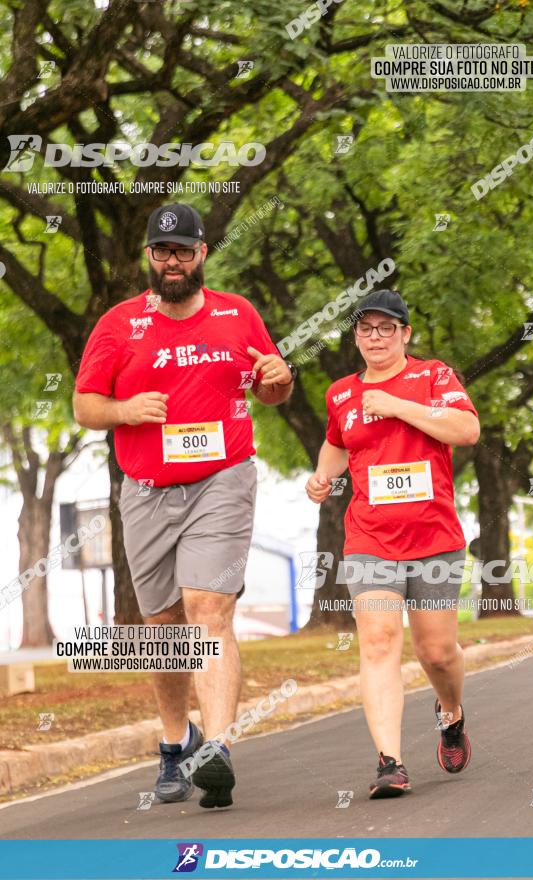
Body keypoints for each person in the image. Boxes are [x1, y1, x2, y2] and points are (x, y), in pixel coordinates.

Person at [73, 203, 296, 809]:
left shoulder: (238, 313)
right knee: (166, 629)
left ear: (202, 255)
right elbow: (85, 405)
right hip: (145, 490)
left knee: (209, 608)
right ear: (149, 257)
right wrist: (125, 411)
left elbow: (272, 387)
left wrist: (280, 377)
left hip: (223, 479)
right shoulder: (119, 325)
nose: (172, 261)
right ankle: (176, 742)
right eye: (161, 251)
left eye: (183, 250)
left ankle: (216, 748)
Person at [305, 289, 480, 798]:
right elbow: (337, 443)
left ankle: (451, 715)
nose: (375, 337)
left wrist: (399, 405)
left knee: (438, 651)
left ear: (405, 334)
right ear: (356, 336)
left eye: (387, 328)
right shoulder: (341, 393)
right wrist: (321, 477)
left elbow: (466, 428)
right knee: (379, 641)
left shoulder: (433, 376)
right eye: (366, 329)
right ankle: (390, 762)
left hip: (434, 538)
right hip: (370, 539)